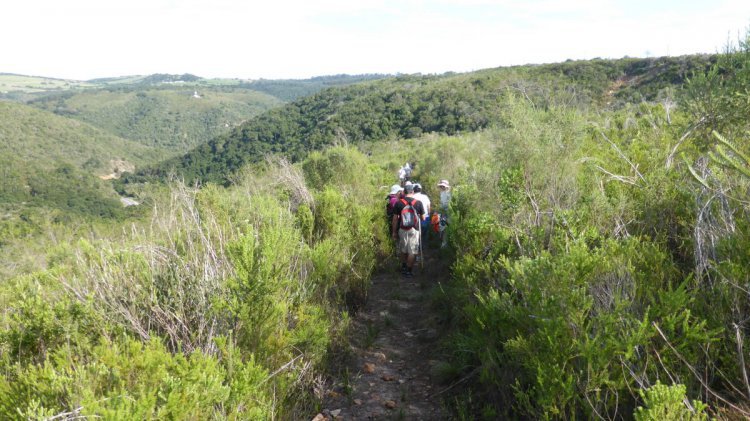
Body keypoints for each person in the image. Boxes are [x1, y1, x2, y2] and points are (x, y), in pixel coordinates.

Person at [391, 183, 425, 278]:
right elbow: (422, 218)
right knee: (412, 251)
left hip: (402, 229)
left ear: (404, 192)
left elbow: (395, 219)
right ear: (412, 192)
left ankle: (403, 267)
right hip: (414, 229)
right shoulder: (418, 203)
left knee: (403, 249)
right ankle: (409, 271)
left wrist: (394, 232)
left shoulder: (399, 203)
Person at [436, 179, 451, 248]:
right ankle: (443, 244)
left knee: (445, 229)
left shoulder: (449, 194)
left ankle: (445, 245)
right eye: (441, 186)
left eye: (443, 186)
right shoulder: (442, 193)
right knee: (441, 228)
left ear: (446, 187)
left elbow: (448, 205)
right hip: (443, 214)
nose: (442, 187)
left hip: (448, 214)